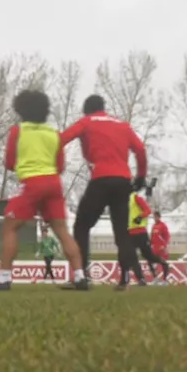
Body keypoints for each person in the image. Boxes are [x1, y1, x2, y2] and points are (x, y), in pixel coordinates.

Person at [0, 90, 88, 291]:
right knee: (63, 231)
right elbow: (61, 166)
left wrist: (26, 166)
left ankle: (4, 278)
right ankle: (80, 277)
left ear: (21, 110)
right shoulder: (54, 134)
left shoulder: (18, 132)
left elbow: (10, 162)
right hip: (54, 183)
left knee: (10, 227)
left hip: (32, 183)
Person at [60, 95, 148, 292]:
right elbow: (140, 150)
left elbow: (62, 139)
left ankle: (82, 275)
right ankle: (124, 279)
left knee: (82, 225)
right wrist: (141, 176)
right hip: (123, 180)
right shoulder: (122, 125)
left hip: (101, 178)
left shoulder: (86, 122)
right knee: (121, 230)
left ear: (86, 110)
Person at [128, 189, 171, 286]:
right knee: (131, 256)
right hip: (130, 233)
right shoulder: (124, 200)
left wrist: (139, 217)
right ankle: (141, 279)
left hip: (140, 232)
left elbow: (147, 210)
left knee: (148, 256)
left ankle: (163, 264)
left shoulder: (136, 197)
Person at [150, 210, 171, 284]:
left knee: (163, 263)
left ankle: (165, 280)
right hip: (155, 248)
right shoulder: (153, 226)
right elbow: (152, 237)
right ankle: (155, 278)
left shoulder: (163, 226)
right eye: (154, 217)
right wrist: (149, 245)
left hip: (161, 248)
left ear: (159, 217)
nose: (154, 218)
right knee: (149, 261)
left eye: (156, 217)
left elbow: (167, 236)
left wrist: (164, 246)